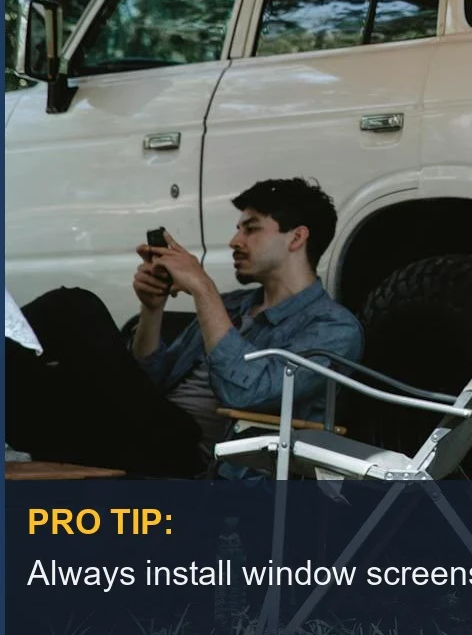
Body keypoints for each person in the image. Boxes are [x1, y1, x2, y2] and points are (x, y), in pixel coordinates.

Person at [7, 178, 363, 478]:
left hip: (197, 460)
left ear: (297, 238)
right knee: (28, 373)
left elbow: (246, 393)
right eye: (238, 229)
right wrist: (153, 310)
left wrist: (201, 287)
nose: (235, 241)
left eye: (251, 229)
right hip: (138, 433)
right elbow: (149, 382)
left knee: (75, 306)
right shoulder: (233, 305)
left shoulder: (332, 328)